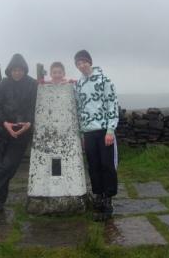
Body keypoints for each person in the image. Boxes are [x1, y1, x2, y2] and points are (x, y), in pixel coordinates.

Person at [0, 53, 38, 212]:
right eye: (14, 70)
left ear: (25, 70)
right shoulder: (3, 84)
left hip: (21, 133)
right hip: (2, 131)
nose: (17, 72)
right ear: (10, 70)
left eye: (20, 70)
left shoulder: (32, 84)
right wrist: (5, 124)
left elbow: (35, 107)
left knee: (9, 166)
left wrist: (29, 123)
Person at [73, 49, 119, 221]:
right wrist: (81, 133)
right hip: (88, 132)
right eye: (78, 63)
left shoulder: (104, 80)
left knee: (107, 165)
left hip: (103, 130)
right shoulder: (78, 85)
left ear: (90, 62)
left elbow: (112, 105)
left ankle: (108, 199)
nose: (81, 65)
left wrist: (110, 130)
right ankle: (98, 196)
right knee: (93, 166)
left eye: (84, 61)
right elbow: (79, 109)